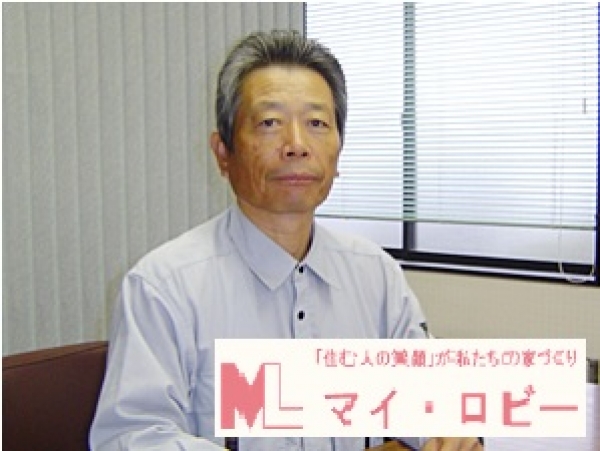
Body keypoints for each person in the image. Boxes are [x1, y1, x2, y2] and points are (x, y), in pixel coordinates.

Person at [89, 30, 483, 451]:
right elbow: (130, 437)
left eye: (317, 124)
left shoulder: (376, 275)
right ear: (223, 153)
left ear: (339, 150)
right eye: (269, 123)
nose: (296, 145)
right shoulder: (162, 288)